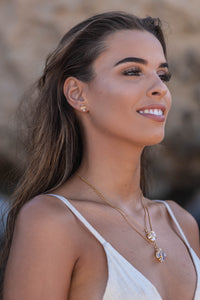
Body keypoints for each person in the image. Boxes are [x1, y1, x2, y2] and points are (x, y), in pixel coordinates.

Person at [1, 11, 200, 300]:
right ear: (78, 94)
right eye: (133, 71)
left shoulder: (181, 223)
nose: (160, 88)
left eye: (162, 74)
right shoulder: (52, 221)